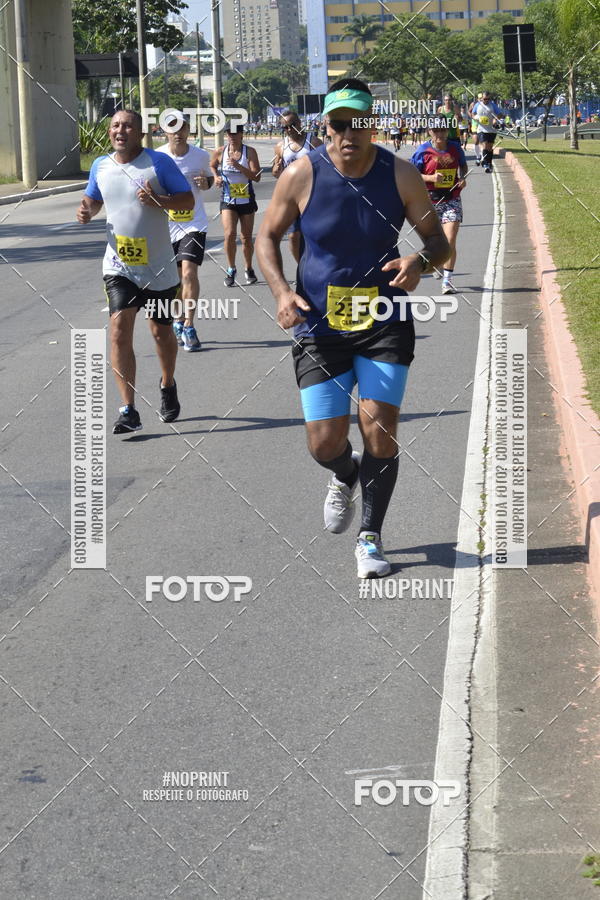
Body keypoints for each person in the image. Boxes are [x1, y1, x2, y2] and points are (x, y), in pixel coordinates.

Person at [256, 79, 449, 578]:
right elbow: (267, 238)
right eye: (339, 124)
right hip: (319, 325)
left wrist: (421, 261)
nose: (349, 133)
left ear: (372, 125)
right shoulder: (301, 174)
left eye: (359, 122)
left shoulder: (400, 175)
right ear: (327, 127)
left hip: (383, 319)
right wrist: (280, 292)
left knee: (379, 427)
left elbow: (437, 241)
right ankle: (346, 473)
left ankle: (370, 538)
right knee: (323, 443)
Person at [76, 109, 193, 434]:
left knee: (160, 333)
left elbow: (187, 202)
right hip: (119, 266)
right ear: (109, 131)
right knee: (118, 329)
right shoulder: (101, 166)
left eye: (128, 125)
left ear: (140, 133)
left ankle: (167, 384)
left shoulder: (159, 163)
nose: (120, 130)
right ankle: (128, 409)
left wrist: (159, 201)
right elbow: (94, 199)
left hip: (158, 268)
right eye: (115, 125)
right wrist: (86, 211)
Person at [156, 114, 213, 352]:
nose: (177, 132)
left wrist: (205, 184)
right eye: (172, 128)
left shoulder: (200, 155)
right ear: (165, 132)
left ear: (189, 130)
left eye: (182, 127)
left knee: (189, 273)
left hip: (193, 223)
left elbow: (209, 180)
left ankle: (189, 325)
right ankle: (178, 320)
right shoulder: (158, 157)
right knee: (176, 281)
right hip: (166, 226)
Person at [410, 117, 468, 295]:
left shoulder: (455, 148)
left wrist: (463, 179)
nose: (440, 134)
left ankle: (447, 281)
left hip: (451, 199)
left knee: (450, 239)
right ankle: (436, 262)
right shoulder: (422, 151)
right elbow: (412, 174)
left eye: (443, 130)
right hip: (429, 201)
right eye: (436, 130)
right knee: (435, 242)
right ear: (430, 132)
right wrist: (431, 178)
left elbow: (463, 168)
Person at [211, 122, 261, 287]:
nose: (231, 137)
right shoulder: (221, 151)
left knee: (246, 238)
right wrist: (216, 177)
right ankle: (231, 268)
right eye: (229, 134)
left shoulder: (250, 152)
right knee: (230, 234)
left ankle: (249, 268)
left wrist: (239, 166)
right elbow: (212, 165)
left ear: (241, 135)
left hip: (246, 199)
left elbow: (257, 176)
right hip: (228, 199)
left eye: (235, 133)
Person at [272, 108, 322, 263]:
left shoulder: (313, 142)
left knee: (313, 235)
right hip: (291, 197)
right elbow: (276, 172)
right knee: (293, 236)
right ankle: (302, 267)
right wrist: (276, 170)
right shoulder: (281, 146)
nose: (288, 130)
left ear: (299, 123)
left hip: (312, 196)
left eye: (291, 125)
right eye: (284, 127)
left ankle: (317, 264)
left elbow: (326, 167)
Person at [471, 91, 506, 173]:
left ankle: (489, 163)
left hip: (492, 129)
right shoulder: (478, 105)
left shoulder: (492, 105)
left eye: (488, 99)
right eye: (484, 99)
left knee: (490, 147)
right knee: (485, 145)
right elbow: (472, 114)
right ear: (482, 98)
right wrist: (476, 118)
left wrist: (495, 119)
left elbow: (500, 114)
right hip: (481, 129)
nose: (486, 100)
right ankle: (485, 163)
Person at [469, 92, 483, 165]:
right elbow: (469, 111)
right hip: (475, 124)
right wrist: (472, 117)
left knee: (483, 142)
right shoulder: (473, 104)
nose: (481, 99)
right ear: (478, 99)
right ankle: (478, 157)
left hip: (483, 124)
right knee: (476, 140)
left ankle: (483, 157)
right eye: (480, 98)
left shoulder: (486, 105)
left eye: (482, 98)